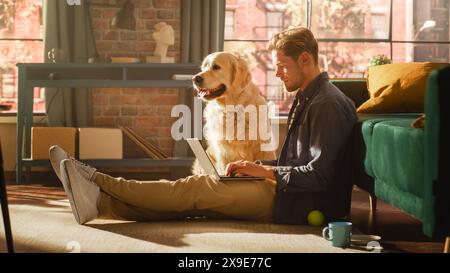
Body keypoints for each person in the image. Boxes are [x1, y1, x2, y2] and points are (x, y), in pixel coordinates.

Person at [49, 27, 357, 225]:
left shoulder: (326, 104)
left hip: (297, 203)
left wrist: (265, 172)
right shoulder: (309, 98)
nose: (277, 74)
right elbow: (300, 165)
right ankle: (102, 204)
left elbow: (320, 176)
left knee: (197, 189)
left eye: (282, 66)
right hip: (286, 192)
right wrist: (259, 166)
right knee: (196, 199)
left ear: (305, 59)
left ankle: (98, 180)